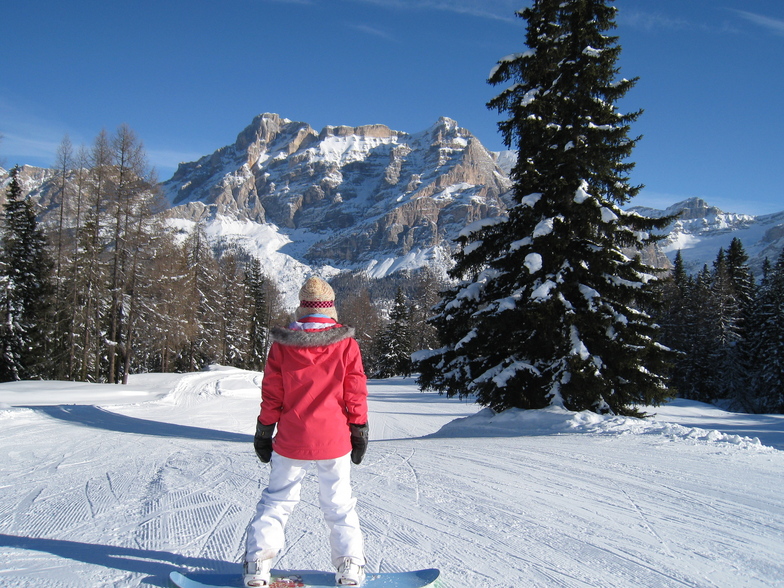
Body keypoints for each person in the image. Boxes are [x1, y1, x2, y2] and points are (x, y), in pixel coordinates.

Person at [244, 276, 370, 587]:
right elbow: (355, 392)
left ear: (302, 309)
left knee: (277, 500)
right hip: (334, 438)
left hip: (292, 438)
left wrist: (264, 430)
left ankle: (257, 565)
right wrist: (359, 429)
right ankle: (350, 567)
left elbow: (272, 394)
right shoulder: (346, 344)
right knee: (339, 503)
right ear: (331, 311)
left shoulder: (282, 345)